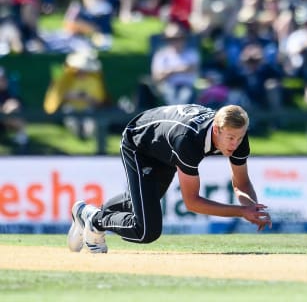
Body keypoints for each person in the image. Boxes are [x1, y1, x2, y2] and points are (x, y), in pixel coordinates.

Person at [67, 104, 272, 253]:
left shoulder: (237, 137)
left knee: (138, 203)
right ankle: (94, 219)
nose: (235, 143)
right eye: (230, 138)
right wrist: (241, 212)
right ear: (217, 130)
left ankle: (84, 213)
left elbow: (242, 183)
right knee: (146, 230)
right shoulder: (189, 141)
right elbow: (192, 202)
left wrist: (254, 209)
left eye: (240, 137)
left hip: (165, 146)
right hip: (140, 144)